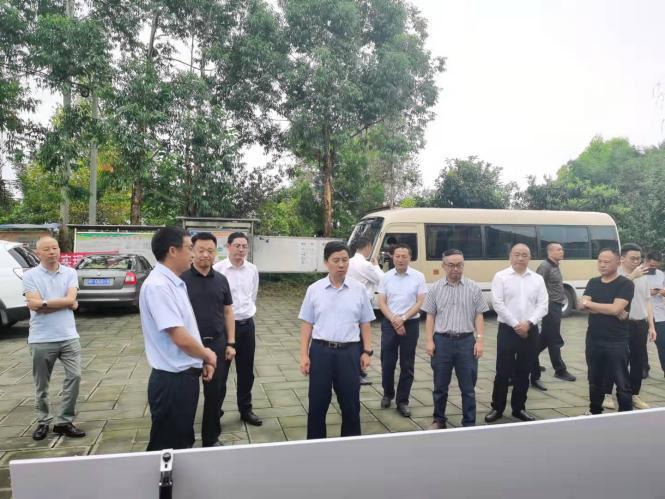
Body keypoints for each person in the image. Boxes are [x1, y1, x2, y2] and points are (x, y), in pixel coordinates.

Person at [139, 227, 217, 451]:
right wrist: (207, 355)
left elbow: (187, 329)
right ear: (173, 251)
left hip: (182, 377)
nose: (193, 254)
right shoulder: (159, 286)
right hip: (172, 382)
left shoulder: (174, 282)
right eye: (190, 248)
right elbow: (180, 338)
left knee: (181, 441)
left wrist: (199, 360)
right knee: (168, 449)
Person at [299, 241, 375, 439]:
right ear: (326, 262)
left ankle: (350, 445)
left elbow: (365, 322)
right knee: (317, 403)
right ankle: (315, 445)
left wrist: (367, 351)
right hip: (320, 352)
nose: (341, 264)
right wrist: (304, 355)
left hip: (349, 353)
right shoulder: (314, 289)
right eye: (336, 260)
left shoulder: (359, 289)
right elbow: (307, 324)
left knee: (351, 404)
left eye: (344, 260)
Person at [23, 236, 85, 441]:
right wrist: (66, 303)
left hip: (69, 336)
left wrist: (44, 303)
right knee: (42, 384)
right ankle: (43, 421)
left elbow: (70, 299)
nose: (52, 252)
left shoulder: (70, 272)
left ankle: (64, 421)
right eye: (47, 249)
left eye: (55, 248)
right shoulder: (30, 275)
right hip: (41, 338)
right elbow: (34, 304)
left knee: (75, 376)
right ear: (38, 253)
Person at [180, 232, 236, 447]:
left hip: (217, 343)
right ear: (192, 251)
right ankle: (184, 439)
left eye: (210, 251)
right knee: (187, 394)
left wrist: (231, 343)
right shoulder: (181, 281)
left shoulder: (221, 280)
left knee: (215, 394)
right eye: (201, 250)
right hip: (189, 346)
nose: (205, 255)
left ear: (216, 253)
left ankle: (211, 438)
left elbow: (228, 312)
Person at [422, 249, 488, 429]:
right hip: (441, 342)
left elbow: (479, 315)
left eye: (459, 265)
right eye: (451, 265)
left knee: (468, 387)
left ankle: (469, 422)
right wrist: (429, 341)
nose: (455, 269)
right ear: (443, 266)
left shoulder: (473, 287)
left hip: (466, 342)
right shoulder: (435, 288)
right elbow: (430, 316)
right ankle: (439, 420)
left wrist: (480, 340)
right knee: (440, 386)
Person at [485, 243, 548, 423]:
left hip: (530, 330)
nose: (520, 258)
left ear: (530, 258)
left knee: (524, 371)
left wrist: (529, 323)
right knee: (502, 372)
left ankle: (519, 408)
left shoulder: (537, 279)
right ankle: (497, 407)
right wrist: (516, 324)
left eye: (524, 255)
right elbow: (497, 303)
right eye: (517, 254)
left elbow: (543, 305)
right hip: (507, 330)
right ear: (510, 256)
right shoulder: (501, 277)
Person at [213, 232, 262, 426]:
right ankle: (215, 411)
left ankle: (245, 409)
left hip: (246, 326)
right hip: (224, 329)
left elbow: (253, 295)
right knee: (221, 373)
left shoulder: (252, 269)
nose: (241, 250)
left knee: (246, 372)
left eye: (244, 246)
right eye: (237, 246)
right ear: (228, 247)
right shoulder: (218, 270)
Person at [578, 248, 634, 414]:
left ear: (618, 262)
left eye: (607, 262)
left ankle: (626, 415)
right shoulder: (593, 282)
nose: (602, 265)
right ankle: (594, 411)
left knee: (622, 381)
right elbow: (580, 305)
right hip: (594, 339)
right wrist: (610, 309)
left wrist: (591, 305)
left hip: (616, 340)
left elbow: (615, 309)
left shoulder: (625, 284)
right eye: (600, 261)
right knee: (594, 379)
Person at [377, 243, 427, 417]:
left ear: (410, 258)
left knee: (407, 364)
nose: (400, 259)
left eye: (404, 256)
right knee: (387, 362)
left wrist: (403, 319)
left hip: (410, 324)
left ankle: (403, 400)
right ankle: (387, 393)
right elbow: (381, 302)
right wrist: (394, 320)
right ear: (392, 257)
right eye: (397, 256)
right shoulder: (385, 277)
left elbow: (420, 302)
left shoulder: (418, 277)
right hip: (389, 324)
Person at [615, 243, 656, 409]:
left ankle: (634, 394)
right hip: (621, 324)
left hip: (640, 324)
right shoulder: (616, 275)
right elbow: (614, 291)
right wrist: (632, 276)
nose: (636, 262)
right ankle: (610, 393)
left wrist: (651, 326)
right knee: (618, 360)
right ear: (622, 258)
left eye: (639, 259)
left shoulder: (643, 276)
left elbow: (648, 301)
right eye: (632, 258)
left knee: (638, 361)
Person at [530, 242, 576, 391]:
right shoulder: (545, 266)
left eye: (562, 249)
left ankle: (528, 360)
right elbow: (536, 286)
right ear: (550, 252)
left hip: (556, 306)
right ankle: (560, 370)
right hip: (549, 307)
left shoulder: (555, 265)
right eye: (559, 249)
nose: (562, 251)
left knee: (545, 338)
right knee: (554, 339)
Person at [347, 236, 383, 385]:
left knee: (354, 337)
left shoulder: (349, 262)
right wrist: (376, 266)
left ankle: (357, 371)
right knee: (360, 339)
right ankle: (356, 372)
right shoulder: (365, 265)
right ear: (368, 246)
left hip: (349, 302)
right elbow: (382, 280)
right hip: (362, 304)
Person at [646, 252, 665, 377]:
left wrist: (662, 292)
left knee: (663, 342)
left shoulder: (660, 274)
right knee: (639, 345)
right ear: (646, 260)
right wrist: (648, 292)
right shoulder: (638, 273)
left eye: (656, 266)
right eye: (651, 265)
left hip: (659, 314)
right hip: (642, 313)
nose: (653, 268)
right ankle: (643, 368)